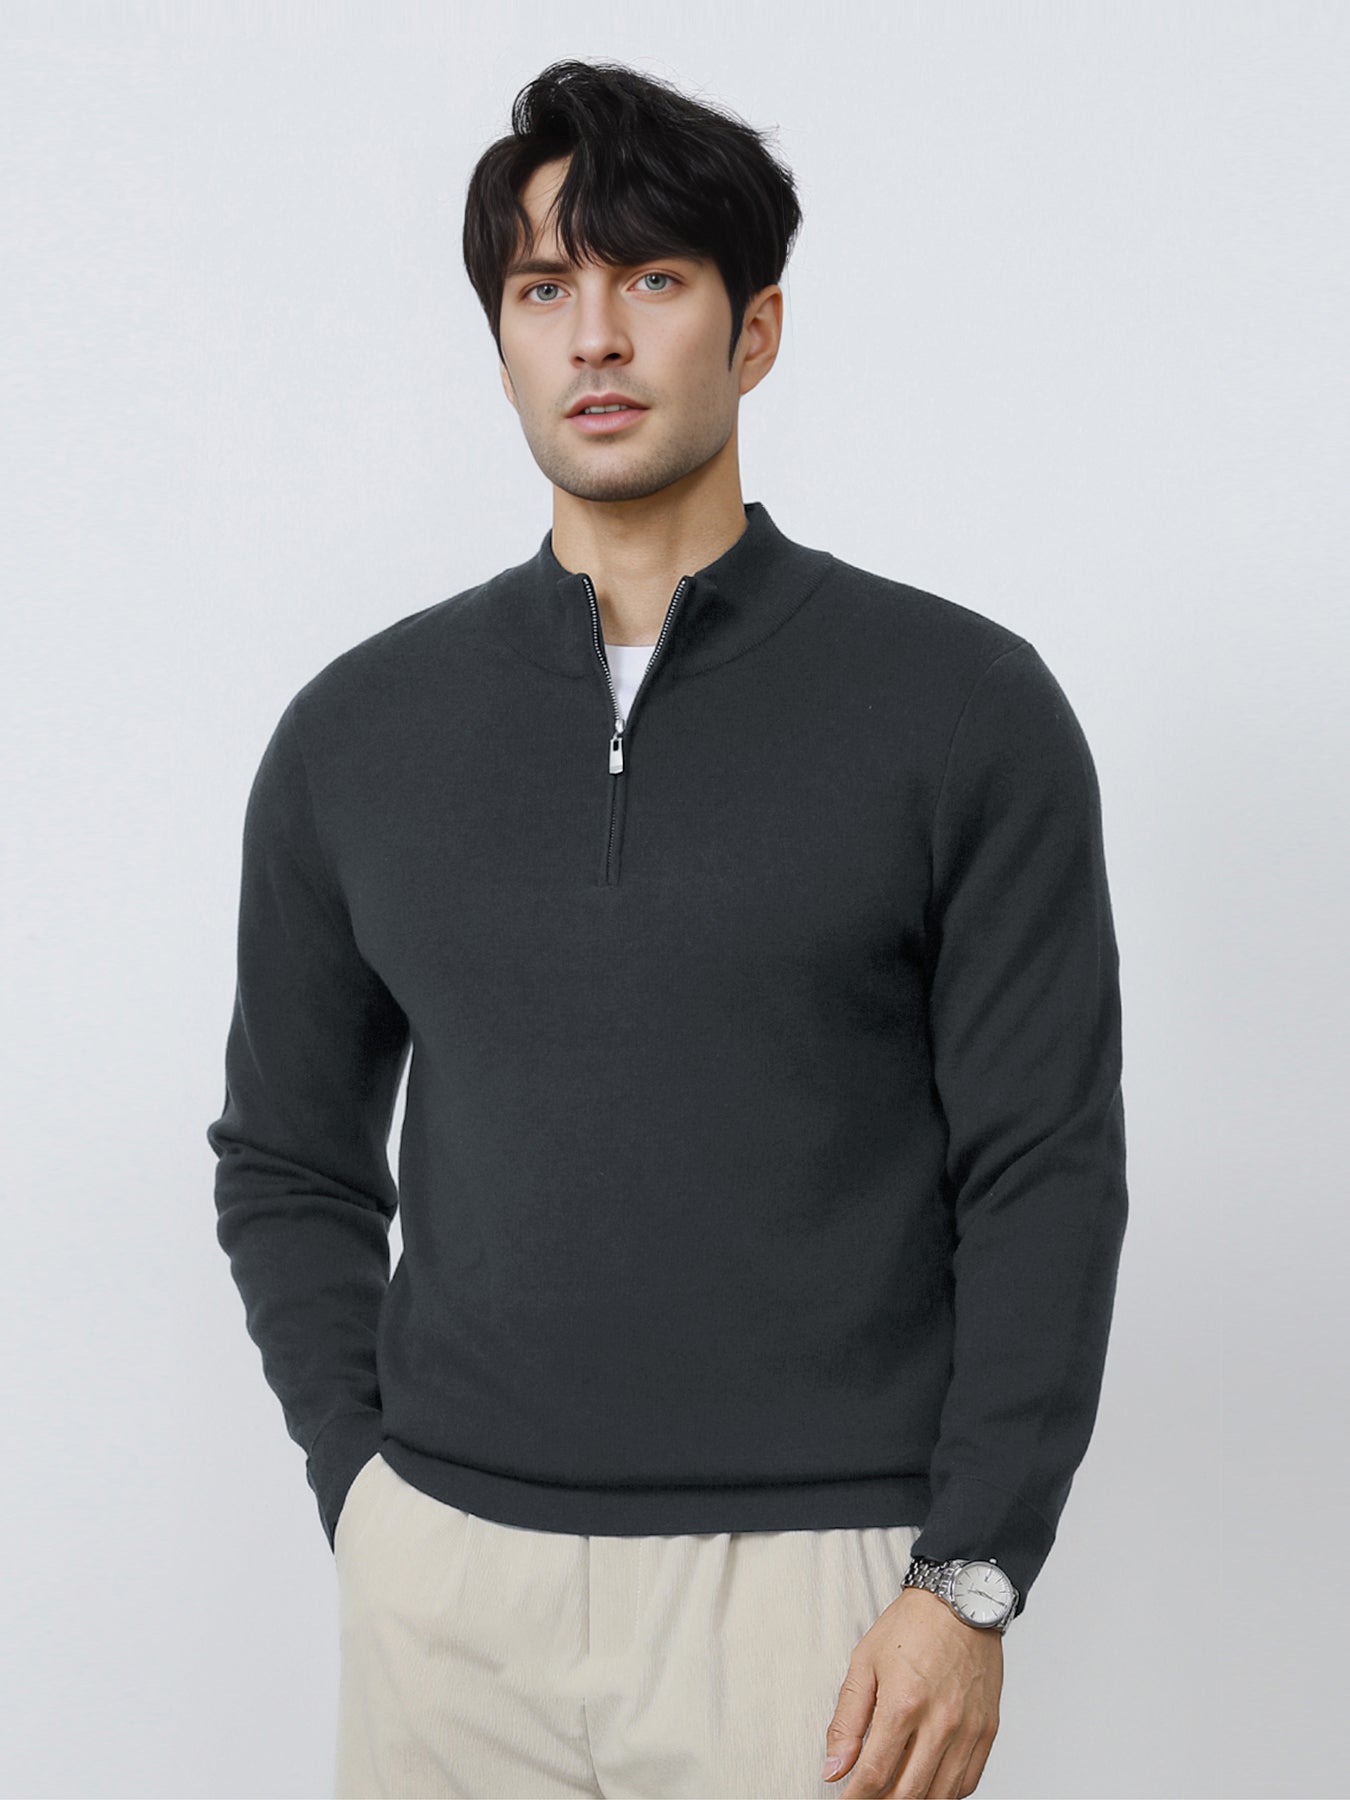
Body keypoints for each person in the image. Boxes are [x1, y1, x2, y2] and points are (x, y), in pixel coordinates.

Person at [206, 56, 1128, 1800]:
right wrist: (369, 1494)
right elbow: (287, 1158)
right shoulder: (359, 731)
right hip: (448, 1594)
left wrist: (969, 1575)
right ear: (500, 341)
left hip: (814, 1595)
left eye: (651, 279)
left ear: (753, 330)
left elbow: (1042, 1168)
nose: (594, 338)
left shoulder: (960, 709)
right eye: (543, 289)